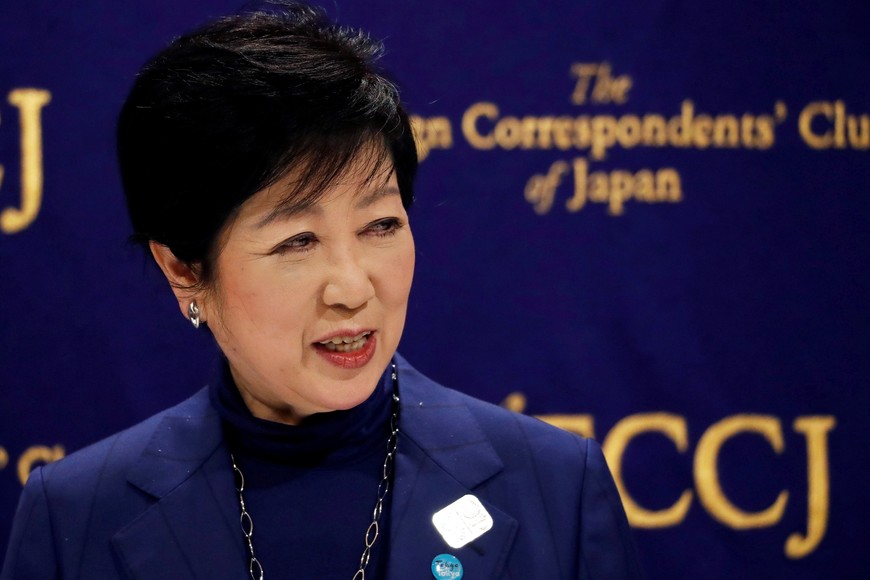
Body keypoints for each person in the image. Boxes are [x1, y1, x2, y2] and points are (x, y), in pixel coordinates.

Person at [1, 2, 642, 578]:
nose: (354, 286)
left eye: (381, 225)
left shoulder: (555, 488)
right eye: (297, 242)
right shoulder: (75, 517)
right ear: (183, 268)